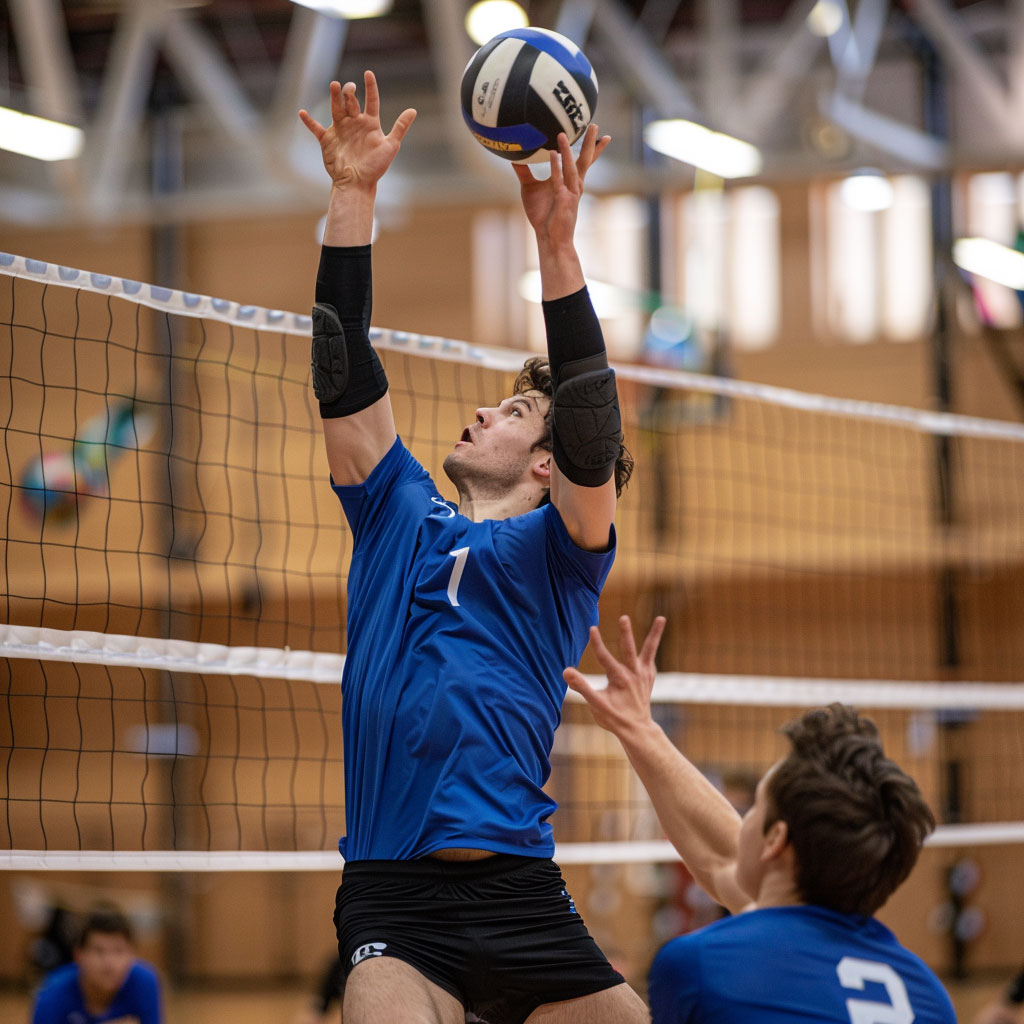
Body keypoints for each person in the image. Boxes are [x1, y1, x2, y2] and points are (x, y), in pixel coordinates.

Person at [297, 72, 642, 1024]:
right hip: (394, 896)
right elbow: (340, 361)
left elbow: (589, 428)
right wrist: (352, 197)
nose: (486, 408)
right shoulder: (395, 510)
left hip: (522, 890)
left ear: (543, 466)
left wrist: (555, 243)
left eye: (515, 412)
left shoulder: (563, 551)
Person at [564, 615, 958, 1024]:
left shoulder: (698, 967)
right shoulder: (929, 995)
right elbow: (725, 865)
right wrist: (638, 729)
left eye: (753, 810)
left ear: (776, 841)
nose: (740, 822)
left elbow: (735, 875)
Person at [30, 906, 163, 1024]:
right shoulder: (52, 991)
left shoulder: (146, 982)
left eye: (118, 951)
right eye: (98, 951)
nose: (109, 962)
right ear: (78, 955)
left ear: (132, 956)